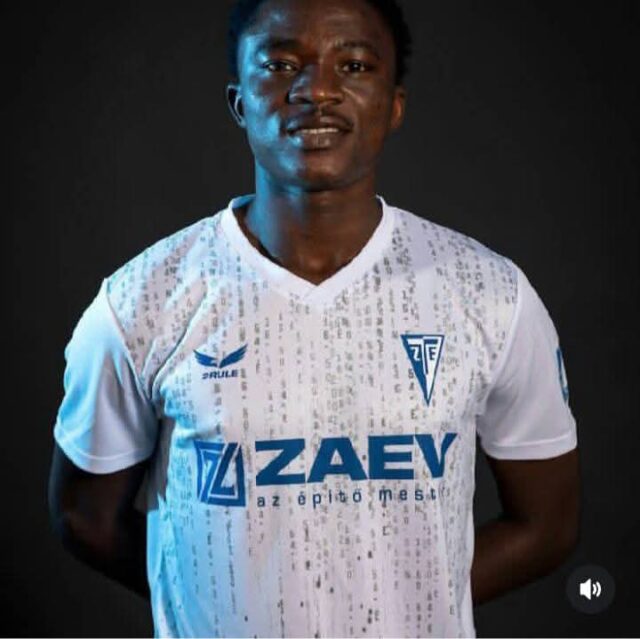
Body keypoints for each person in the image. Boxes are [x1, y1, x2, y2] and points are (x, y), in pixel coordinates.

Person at [48, 0, 580, 637]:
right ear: (239, 102)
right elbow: (85, 518)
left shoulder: (490, 294)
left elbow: (547, 526)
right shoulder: (142, 301)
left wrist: (408, 602)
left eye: (353, 65)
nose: (317, 89)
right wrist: (211, 600)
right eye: (280, 64)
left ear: (394, 105)